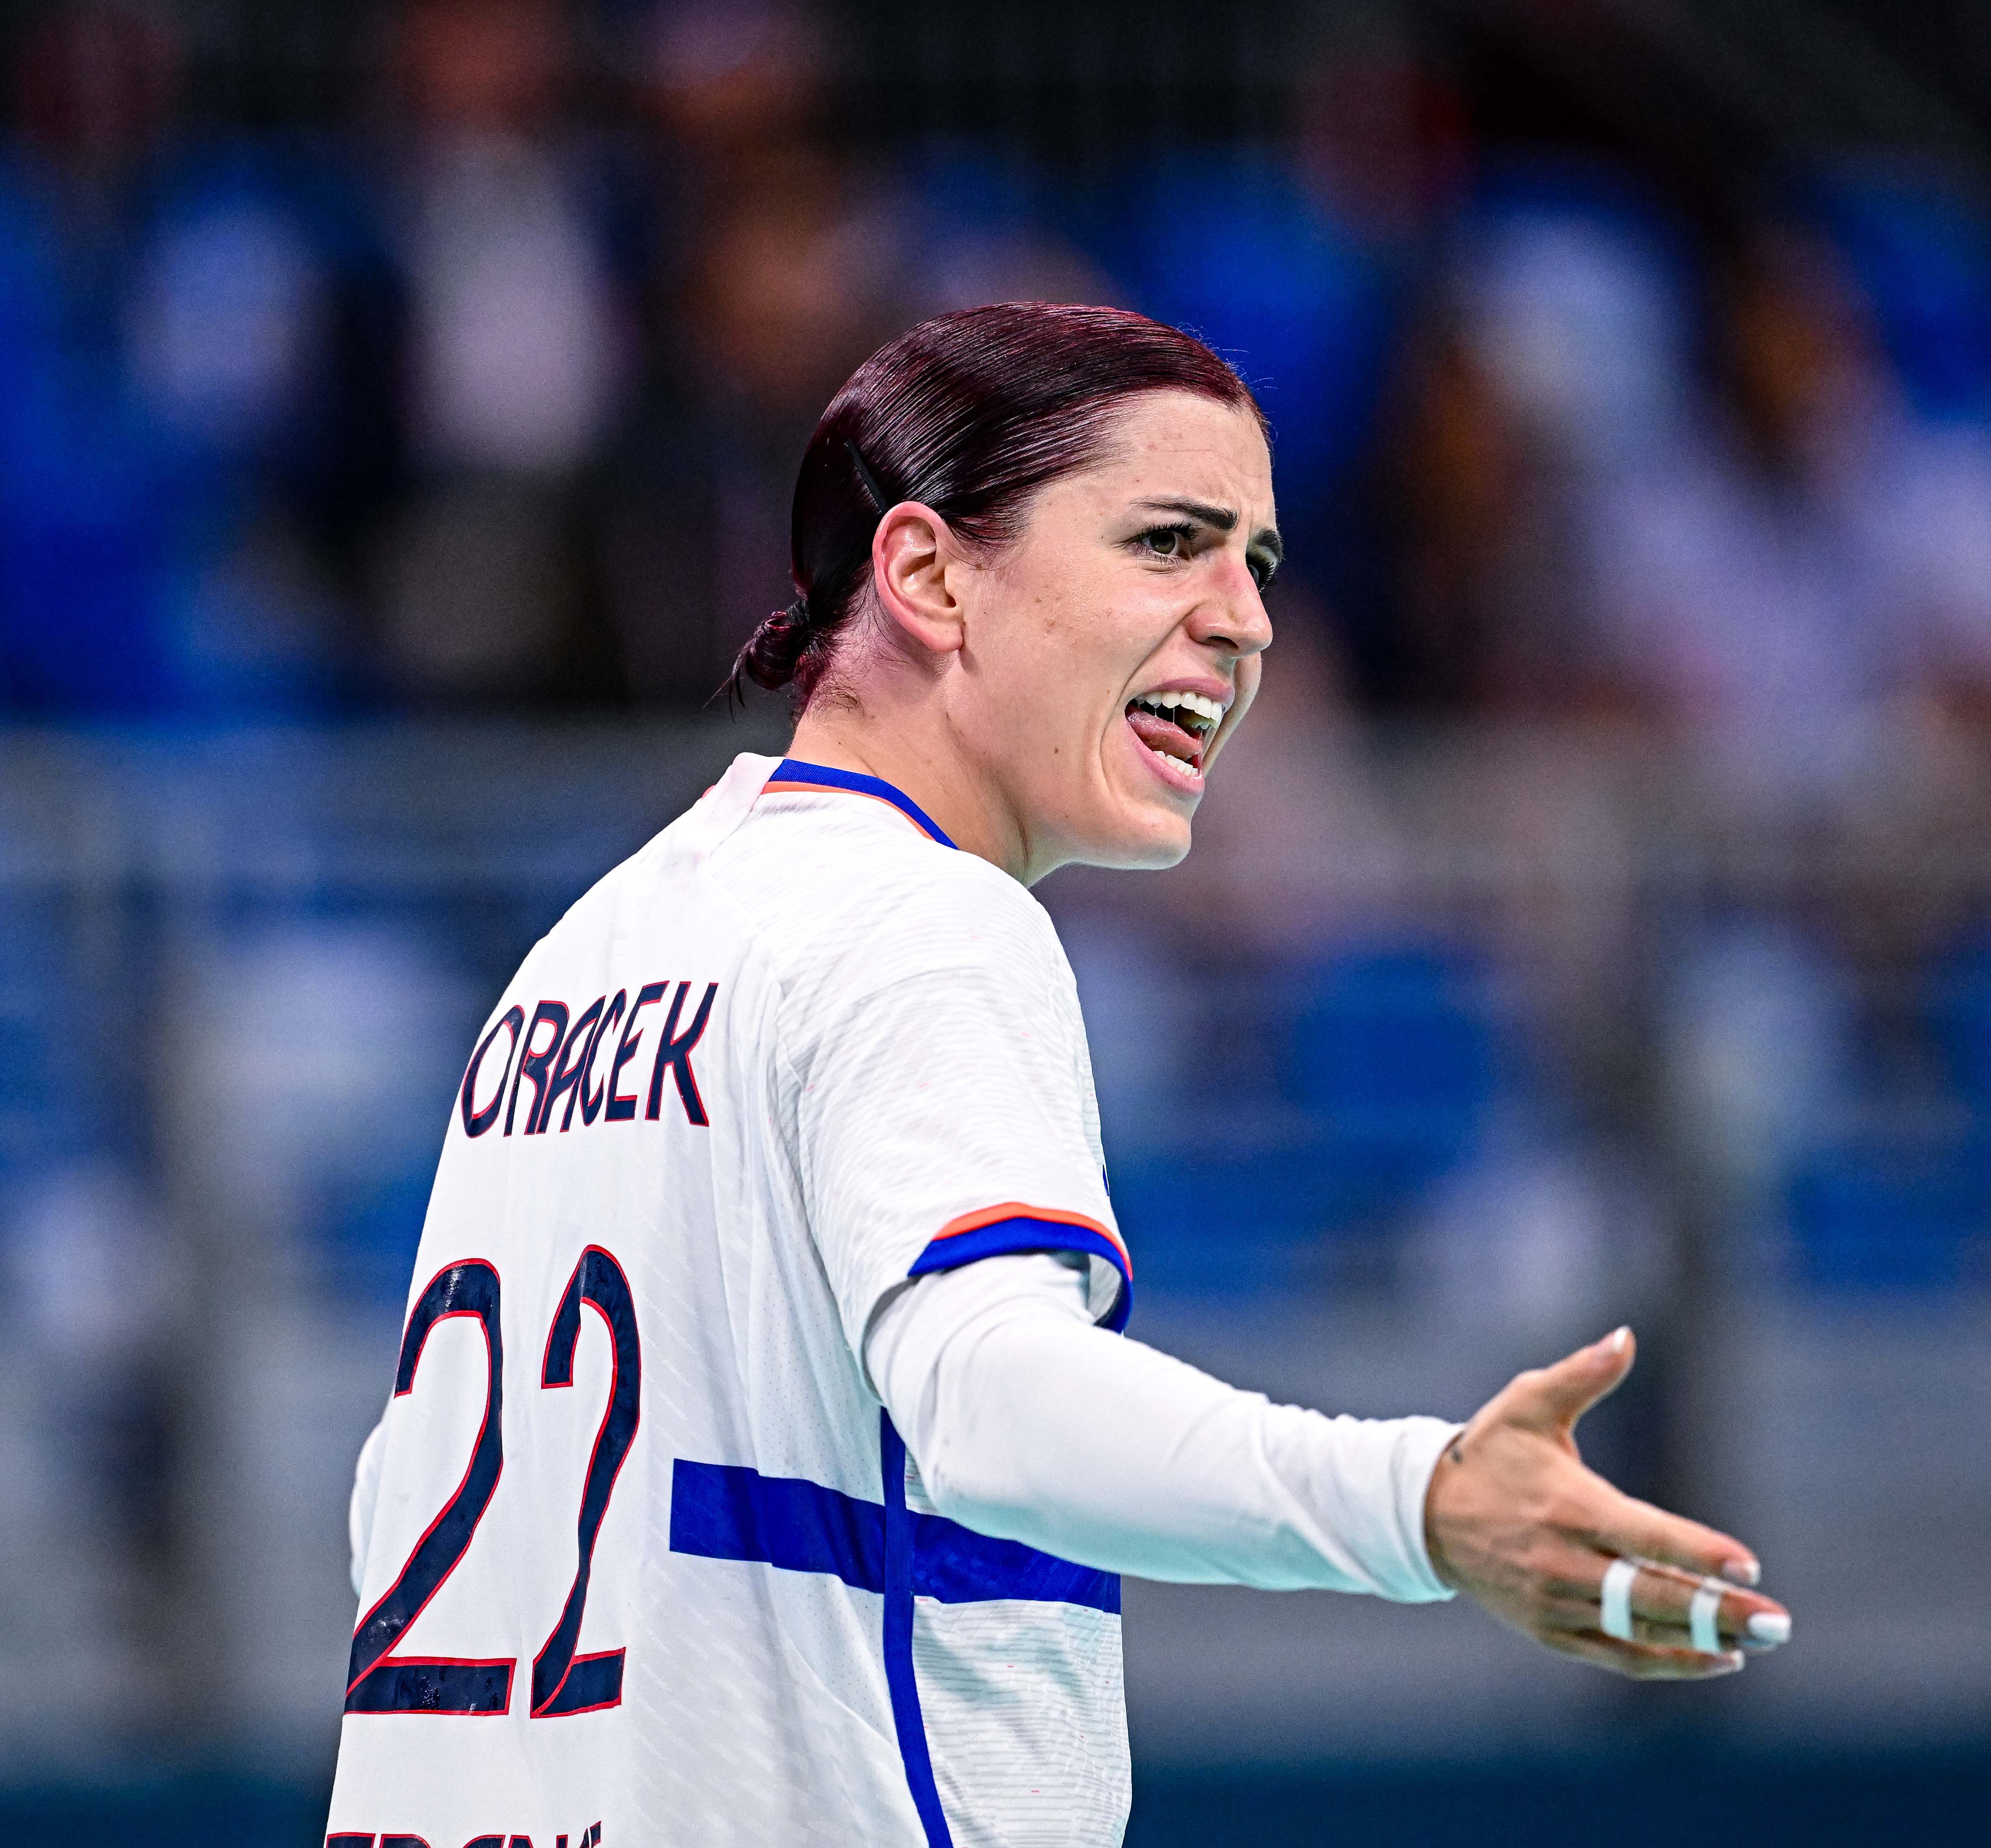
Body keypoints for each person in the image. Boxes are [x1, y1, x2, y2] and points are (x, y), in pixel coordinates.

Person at [327, 303, 1789, 1848]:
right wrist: (1416, 1503)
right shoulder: (925, 920)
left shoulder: (584, 957)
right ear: (928, 573)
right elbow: (991, 1401)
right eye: (1170, 542)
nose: (1246, 620)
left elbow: (393, 1502)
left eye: (1262, 564)